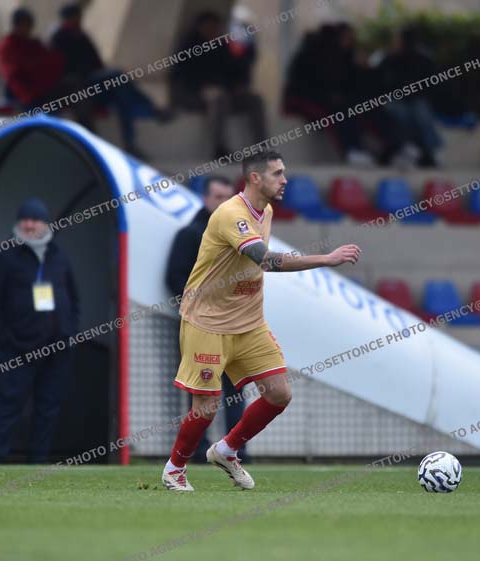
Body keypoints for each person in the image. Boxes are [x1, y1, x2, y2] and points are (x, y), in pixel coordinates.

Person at [162, 151, 361, 491]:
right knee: (206, 407)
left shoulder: (265, 210)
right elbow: (266, 261)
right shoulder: (231, 214)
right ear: (255, 178)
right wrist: (326, 259)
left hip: (249, 323)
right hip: (207, 322)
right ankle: (174, 468)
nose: (285, 180)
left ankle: (226, 450)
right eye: (277, 173)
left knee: (279, 394)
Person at [0, 198, 80, 464]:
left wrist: (69, 332)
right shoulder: (4, 257)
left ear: (45, 224)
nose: (29, 224)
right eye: (24, 219)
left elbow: (73, 299)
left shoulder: (58, 256)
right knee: (8, 406)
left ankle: (38, 461)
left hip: (57, 349)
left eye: (35, 220)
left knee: (48, 408)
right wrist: (4, 340)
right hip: (18, 349)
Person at [165, 176, 248, 463]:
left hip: (234, 325)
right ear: (204, 198)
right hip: (201, 326)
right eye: (217, 197)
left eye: (227, 197)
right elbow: (174, 277)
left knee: (236, 390)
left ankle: (235, 450)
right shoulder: (191, 235)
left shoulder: (238, 235)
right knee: (202, 391)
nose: (223, 203)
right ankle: (198, 451)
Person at [50, 3, 170, 158]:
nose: (78, 19)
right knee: (117, 76)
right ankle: (152, 110)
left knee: (123, 97)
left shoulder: (82, 36)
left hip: (94, 82)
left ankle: (130, 143)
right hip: (79, 85)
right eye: (75, 16)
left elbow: (96, 61)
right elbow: (62, 68)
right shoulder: (59, 38)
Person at [171, 12, 268, 159]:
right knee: (219, 99)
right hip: (194, 95)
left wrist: (238, 85)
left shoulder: (222, 46)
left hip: (225, 93)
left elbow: (235, 69)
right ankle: (219, 148)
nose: (213, 30)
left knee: (255, 100)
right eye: (209, 26)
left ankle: (262, 147)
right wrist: (204, 88)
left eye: (216, 27)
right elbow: (182, 76)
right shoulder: (188, 48)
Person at [284, 24, 374, 166]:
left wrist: (362, 70)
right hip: (303, 100)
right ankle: (350, 150)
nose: (350, 42)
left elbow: (350, 86)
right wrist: (330, 96)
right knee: (339, 112)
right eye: (347, 38)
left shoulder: (344, 57)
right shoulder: (315, 55)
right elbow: (310, 85)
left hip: (324, 98)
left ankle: (363, 149)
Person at [374, 27, 442, 167]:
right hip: (394, 99)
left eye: (397, 40)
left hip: (416, 99)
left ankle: (428, 151)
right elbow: (381, 82)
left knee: (422, 114)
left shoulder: (423, 59)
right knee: (401, 113)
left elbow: (430, 84)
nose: (395, 43)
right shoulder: (388, 59)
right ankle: (413, 147)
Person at [0, 8, 64, 112]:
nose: (27, 28)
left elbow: (49, 64)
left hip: (40, 93)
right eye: (24, 24)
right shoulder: (7, 46)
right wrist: (27, 97)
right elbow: (11, 76)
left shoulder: (34, 44)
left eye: (29, 24)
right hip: (18, 96)